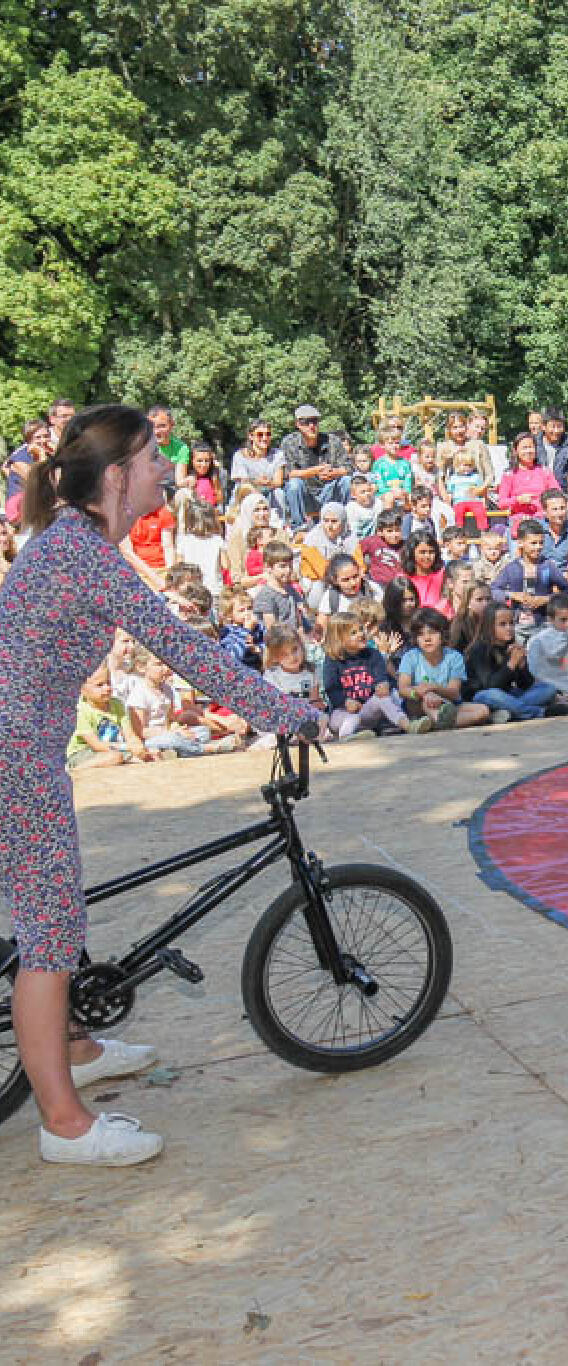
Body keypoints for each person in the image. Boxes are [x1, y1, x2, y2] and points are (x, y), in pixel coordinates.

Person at [1, 406, 315, 1166]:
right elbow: (183, 648)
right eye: (152, 458)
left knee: (56, 913)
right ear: (117, 477)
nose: (167, 469)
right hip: (15, 756)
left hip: (21, 747)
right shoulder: (83, 554)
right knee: (49, 935)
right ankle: (64, 1126)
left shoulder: (72, 541)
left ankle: (75, 1047)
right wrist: (287, 712)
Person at [321, 610, 421, 739]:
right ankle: (347, 737)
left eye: (361, 629)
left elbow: (380, 676)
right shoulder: (332, 660)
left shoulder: (372, 654)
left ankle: (408, 725)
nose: (361, 634)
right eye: (353, 633)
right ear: (339, 639)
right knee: (351, 719)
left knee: (383, 698)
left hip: (366, 710)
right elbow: (331, 689)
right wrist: (345, 702)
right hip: (341, 712)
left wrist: (382, 685)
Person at [396, 606, 489, 730]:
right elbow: (403, 689)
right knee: (428, 702)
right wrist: (422, 694)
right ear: (415, 638)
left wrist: (433, 688)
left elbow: (454, 693)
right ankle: (440, 720)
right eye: (420, 634)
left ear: (442, 634)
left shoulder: (454, 657)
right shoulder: (410, 656)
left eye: (432, 632)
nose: (427, 639)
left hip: (448, 703)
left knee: (483, 710)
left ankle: (437, 723)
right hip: (419, 704)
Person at [466, 604, 561, 721]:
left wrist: (522, 666)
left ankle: (508, 712)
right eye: (502, 624)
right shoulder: (479, 649)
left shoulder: (510, 647)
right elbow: (489, 686)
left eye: (511, 623)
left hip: (508, 695)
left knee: (548, 688)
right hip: (481, 697)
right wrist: (511, 664)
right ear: (489, 627)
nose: (509, 628)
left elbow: (525, 685)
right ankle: (541, 712)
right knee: (493, 694)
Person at [279, 404, 351, 530]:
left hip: (328, 491)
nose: (311, 426)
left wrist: (334, 472)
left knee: (346, 481)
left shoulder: (332, 441)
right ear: (298, 424)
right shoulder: (289, 442)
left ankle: (343, 524)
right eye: (306, 422)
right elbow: (288, 473)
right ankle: (299, 528)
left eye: (314, 421)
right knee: (294, 484)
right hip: (304, 494)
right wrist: (315, 471)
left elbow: (349, 468)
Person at [67, 662, 152, 769]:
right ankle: (76, 769)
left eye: (108, 682)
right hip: (82, 753)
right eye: (99, 685)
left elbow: (129, 735)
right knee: (116, 757)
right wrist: (128, 750)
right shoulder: (81, 710)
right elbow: (96, 745)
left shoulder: (117, 704)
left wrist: (138, 747)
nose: (107, 688)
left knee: (150, 755)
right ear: (83, 690)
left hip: (112, 750)